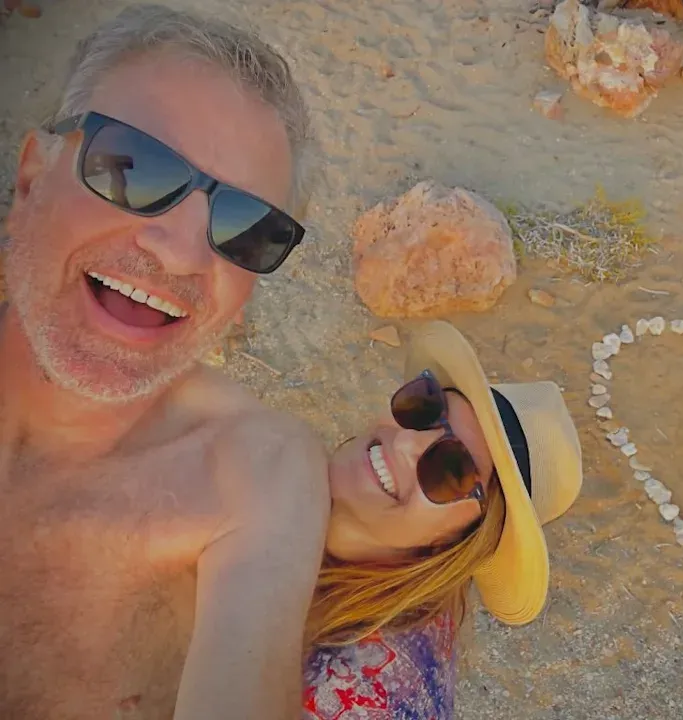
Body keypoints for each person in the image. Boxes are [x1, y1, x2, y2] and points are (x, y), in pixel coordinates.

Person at [0, 6, 329, 719]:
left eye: (245, 227)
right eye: (132, 168)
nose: (182, 251)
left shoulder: (252, 474)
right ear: (31, 181)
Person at [302, 320, 584, 719]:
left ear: (455, 544)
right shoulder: (387, 573)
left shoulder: (348, 697)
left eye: (452, 469)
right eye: (425, 409)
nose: (404, 441)